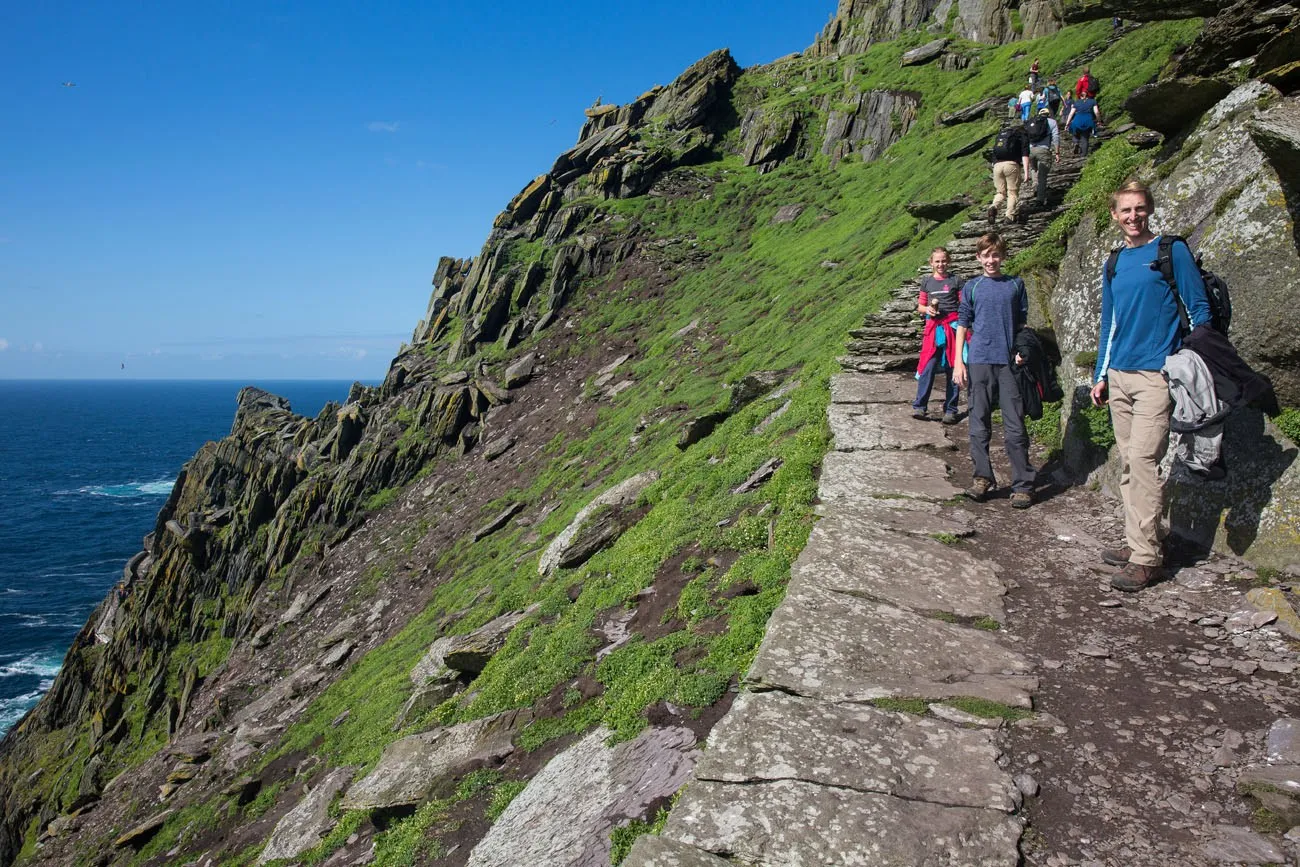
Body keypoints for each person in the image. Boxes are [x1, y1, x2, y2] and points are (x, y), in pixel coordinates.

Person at [1091, 180, 1211, 591]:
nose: (1133, 216)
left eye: (1139, 209)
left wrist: (1189, 366)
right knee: (1129, 462)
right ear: (1114, 215)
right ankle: (1141, 537)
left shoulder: (1170, 251)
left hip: (1157, 375)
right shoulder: (1114, 262)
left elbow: (1198, 311)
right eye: (1125, 210)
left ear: (1150, 210)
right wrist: (1101, 375)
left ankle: (1146, 560)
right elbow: (1110, 324)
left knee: (1142, 460)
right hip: (1120, 375)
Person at [953, 233, 1035, 508]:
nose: (991, 260)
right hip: (979, 361)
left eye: (996, 254)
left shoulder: (1015, 284)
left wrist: (1023, 351)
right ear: (978, 257)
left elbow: (1022, 324)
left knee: (1015, 424)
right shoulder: (972, 287)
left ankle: (1023, 485)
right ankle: (982, 478)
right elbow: (962, 325)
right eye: (986, 255)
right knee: (978, 422)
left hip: (1010, 363)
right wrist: (958, 362)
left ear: (1003, 256)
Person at [912, 247, 963, 424]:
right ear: (931, 263)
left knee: (953, 367)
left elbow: (963, 304)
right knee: (928, 365)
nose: (941, 264)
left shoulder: (956, 280)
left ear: (948, 261)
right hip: (934, 328)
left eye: (943, 261)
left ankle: (950, 410)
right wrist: (928, 310)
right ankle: (920, 406)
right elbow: (920, 306)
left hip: (953, 328)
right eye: (937, 261)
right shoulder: (927, 282)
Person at [988, 123, 1030, 225]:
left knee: (1000, 192)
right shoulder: (1022, 137)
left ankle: (993, 207)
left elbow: (994, 154)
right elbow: (1025, 155)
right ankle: (1009, 216)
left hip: (997, 166)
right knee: (1012, 192)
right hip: (1011, 165)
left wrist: (995, 166)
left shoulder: (1002, 137)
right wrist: (1026, 172)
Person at [1026, 108, 1060, 205]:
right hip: (1043, 150)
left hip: (1030, 150)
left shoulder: (1031, 121)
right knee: (1042, 176)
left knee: (1033, 168)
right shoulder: (1052, 122)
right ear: (1048, 114)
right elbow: (1056, 137)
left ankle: (1035, 185)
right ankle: (1040, 199)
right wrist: (1057, 152)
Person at [1065, 93, 1100, 157]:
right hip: (1088, 120)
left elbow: (1071, 114)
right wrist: (1099, 120)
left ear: (1080, 96)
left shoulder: (1077, 102)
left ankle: (1076, 142)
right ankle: (1083, 155)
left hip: (1077, 120)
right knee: (1085, 138)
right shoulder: (1093, 101)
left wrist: (1067, 124)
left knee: (1074, 133)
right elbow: (1097, 112)